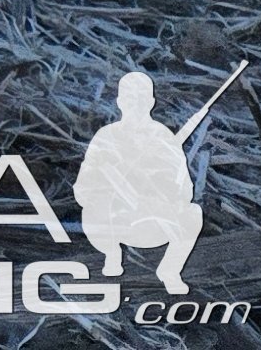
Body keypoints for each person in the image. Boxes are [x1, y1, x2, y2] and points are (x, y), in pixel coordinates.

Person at [76, 72, 205, 293]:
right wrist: (110, 190)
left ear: (151, 102)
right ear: (119, 102)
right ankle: (112, 254)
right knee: (92, 210)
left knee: (192, 214)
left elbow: (185, 191)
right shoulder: (105, 137)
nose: (135, 104)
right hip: (115, 221)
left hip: (152, 221)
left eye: (141, 98)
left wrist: (158, 188)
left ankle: (170, 271)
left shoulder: (164, 138)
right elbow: (82, 189)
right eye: (129, 98)